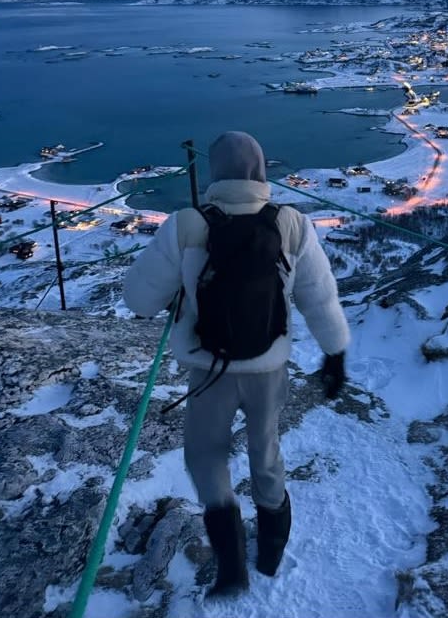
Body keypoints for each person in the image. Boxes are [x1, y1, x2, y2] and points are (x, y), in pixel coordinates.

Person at [122, 131, 350, 598]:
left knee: (205, 458)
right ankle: (269, 551)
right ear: (261, 171)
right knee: (265, 450)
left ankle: (230, 564)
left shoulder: (187, 223)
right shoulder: (291, 222)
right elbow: (318, 296)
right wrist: (335, 352)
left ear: (215, 172)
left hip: (209, 369)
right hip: (268, 367)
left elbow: (139, 301)